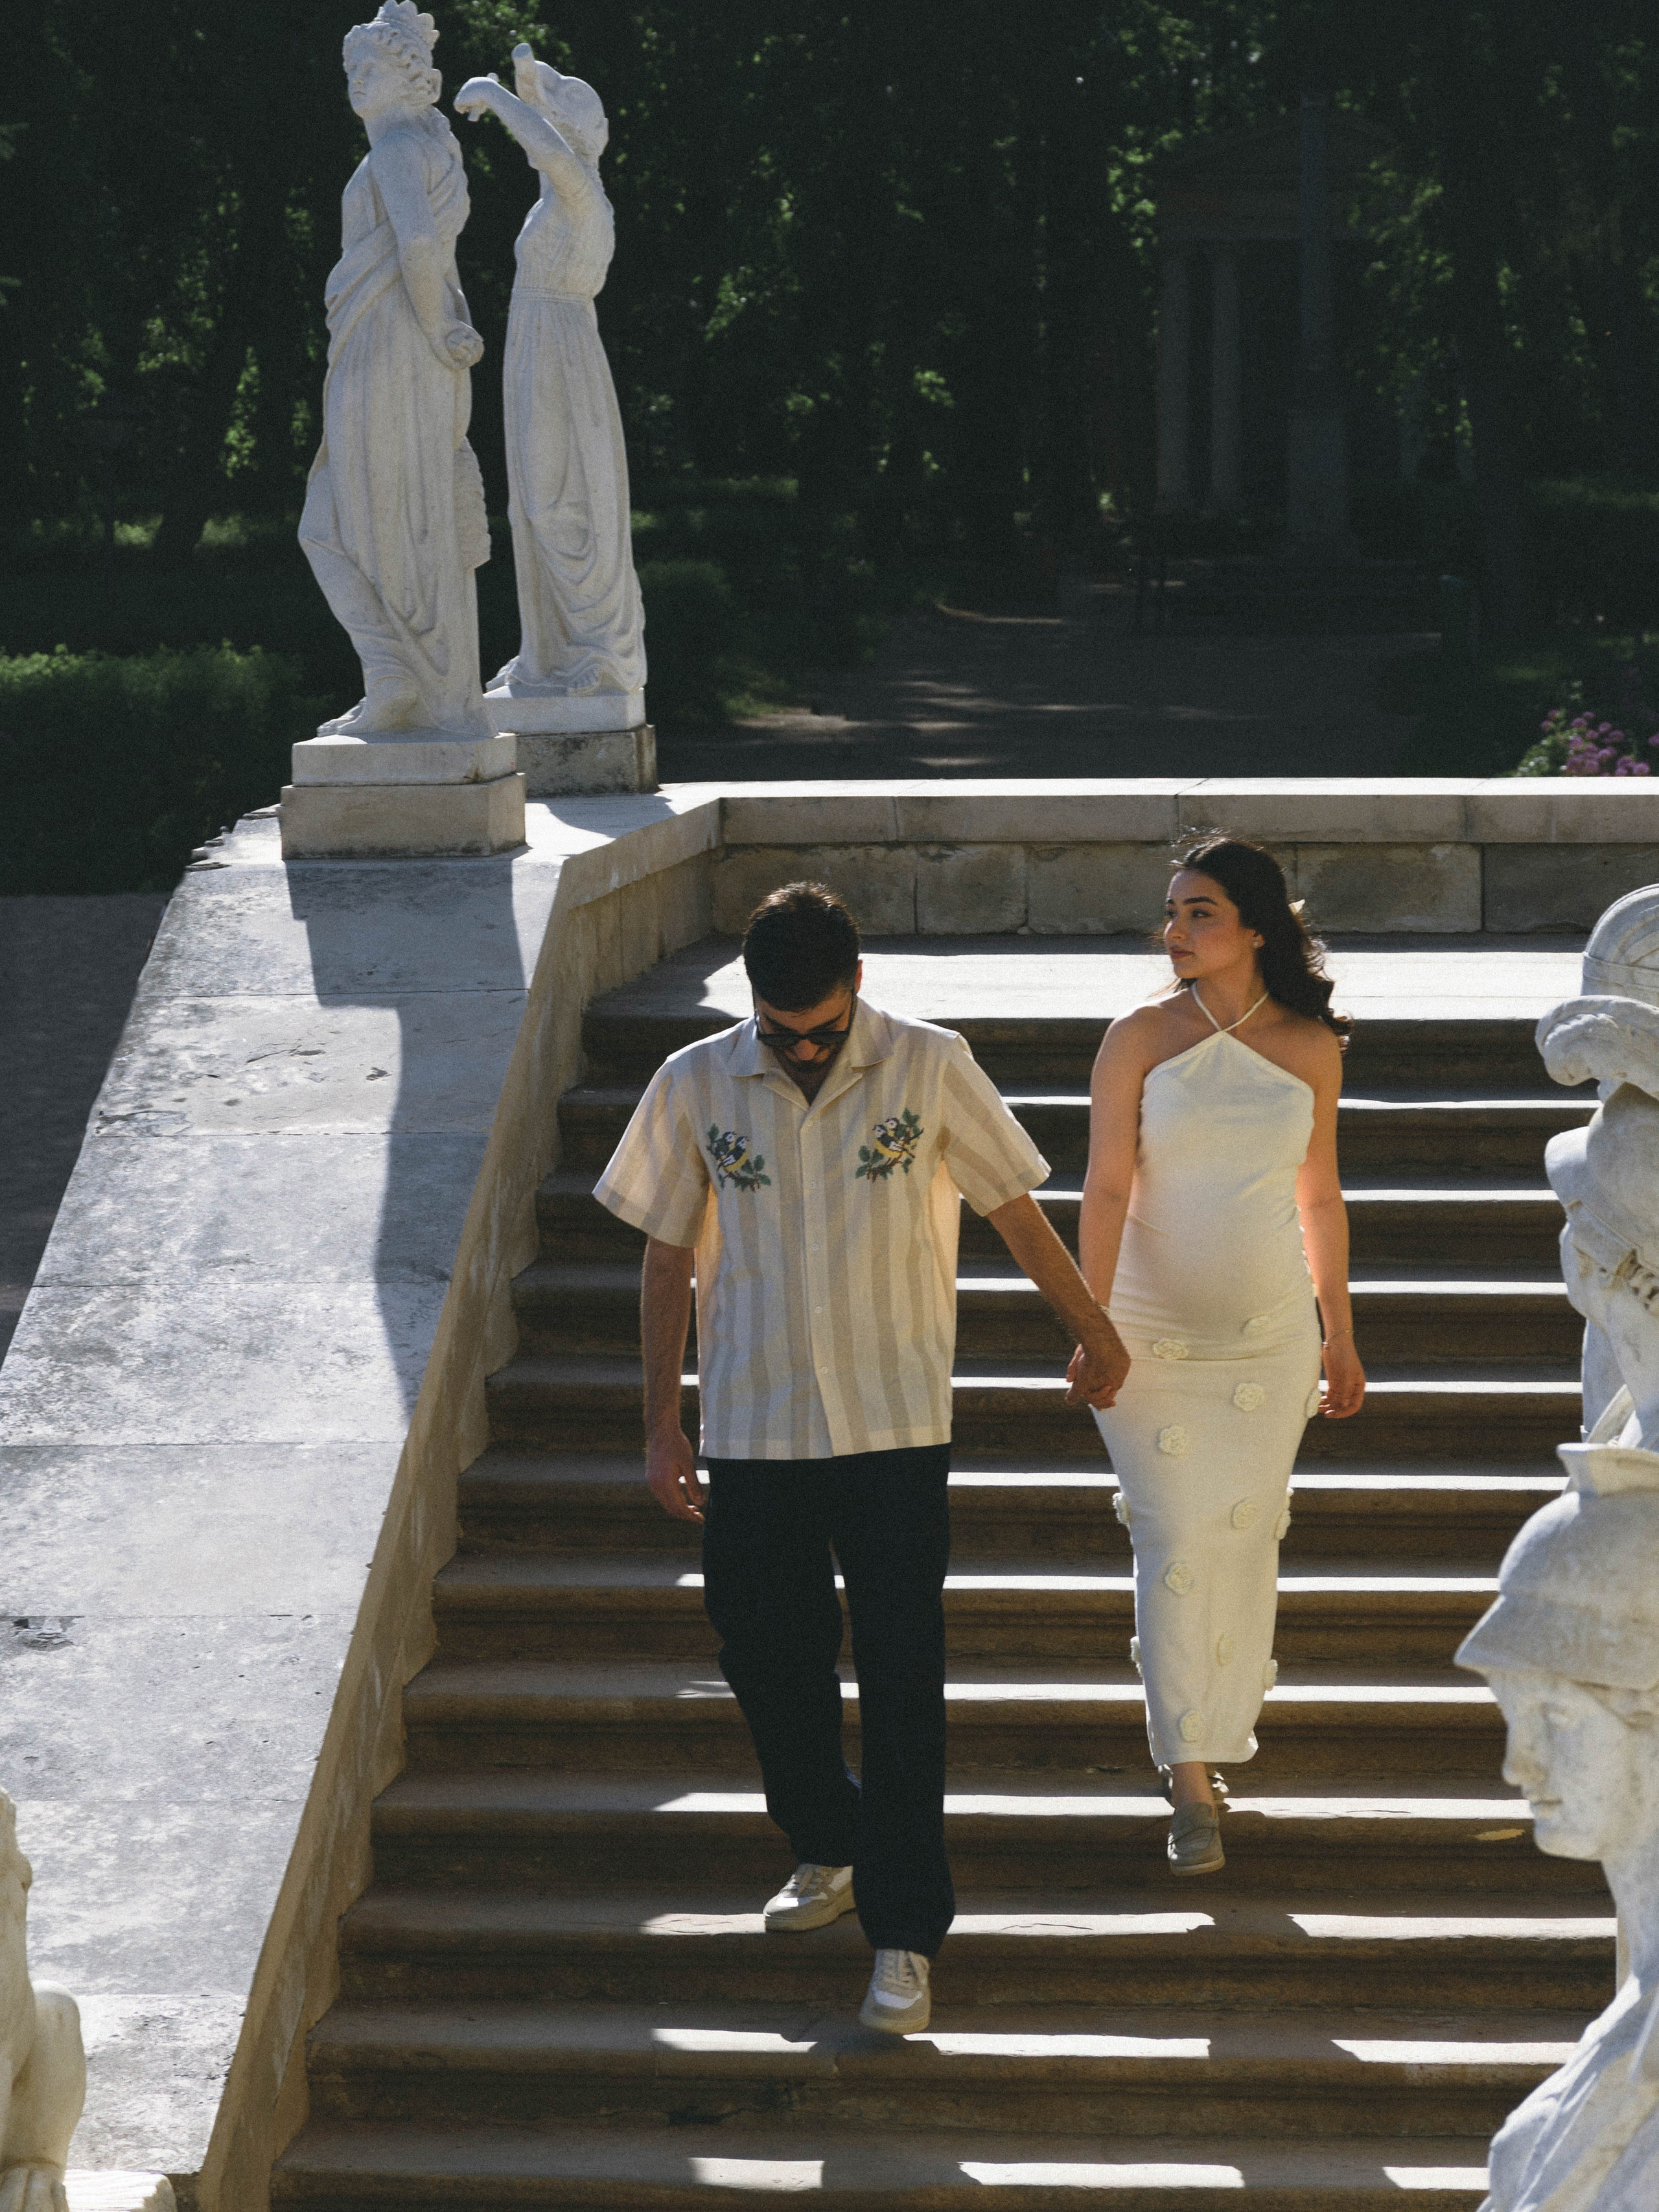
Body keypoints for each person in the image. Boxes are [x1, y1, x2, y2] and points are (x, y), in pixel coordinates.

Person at [594, 883, 1130, 2032]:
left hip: (894, 1427)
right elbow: (662, 1255)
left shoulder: (932, 1066)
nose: (803, 1048)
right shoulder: (695, 1080)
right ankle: (827, 1835)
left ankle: (904, 1931)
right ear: (751, 999)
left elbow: (1016, 1206)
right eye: (783, 1031)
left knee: (900, 1680)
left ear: (859, 988)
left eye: (824, 1030)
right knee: (758, 1649)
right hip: (754, 1424)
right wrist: (658, 1418)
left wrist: (1090, 1323)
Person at [1078, 837, 1365, 1876]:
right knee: (1175, 1540)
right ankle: (1188, 1779)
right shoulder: (1136, 1038)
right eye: (1172, 913)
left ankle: (1211, 1737)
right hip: (1146, 1338)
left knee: (1242, 1542)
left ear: (1255, 926)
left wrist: (1341, 1330)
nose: (1177, 932)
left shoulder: (1311, 1046)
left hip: (1271, 1343)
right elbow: (1105, 1188)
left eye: (1200, 912)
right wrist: (1090, 1322)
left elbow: (1319, 1196)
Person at [300, 1, 491, 739]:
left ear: (408, 79)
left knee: (344, 523)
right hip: (400, 343)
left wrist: (441, 326)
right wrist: (442, 325)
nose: (356, 80)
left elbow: (416, 244)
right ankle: (400, 678)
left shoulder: (396, 149)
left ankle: (401, 680)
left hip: (391, 345)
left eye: (370, 68)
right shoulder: (419, 145)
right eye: (351, 68)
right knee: (377, 520)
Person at [454, 45, 645, 703]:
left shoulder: (583, 196)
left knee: (562, 500)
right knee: (534, 503)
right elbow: (546, 149)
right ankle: (548, 650)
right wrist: (526, 92)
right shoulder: (560, 195)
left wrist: (502, 98)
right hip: (539, 346)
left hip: (560, 354)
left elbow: (550, 154)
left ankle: (600, 652)